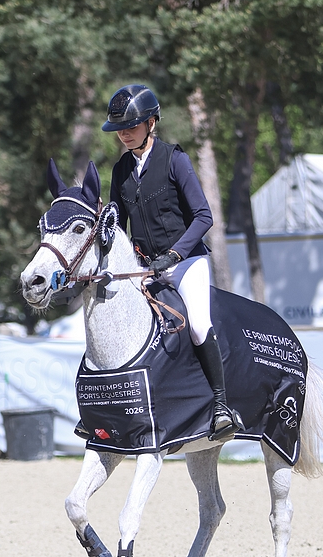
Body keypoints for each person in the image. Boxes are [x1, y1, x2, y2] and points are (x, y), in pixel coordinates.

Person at [103, 83, 243, 441]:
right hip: (145, 266)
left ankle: (222, 405)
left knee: (197, 324)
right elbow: (118, 223)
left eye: (131, 126)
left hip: (186, 261)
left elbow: (203, 216)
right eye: (120, 128)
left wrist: (176, 254)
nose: (124, 133)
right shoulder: (121, 171)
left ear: (151, 123)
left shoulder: (175, 159)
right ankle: (105, 409)